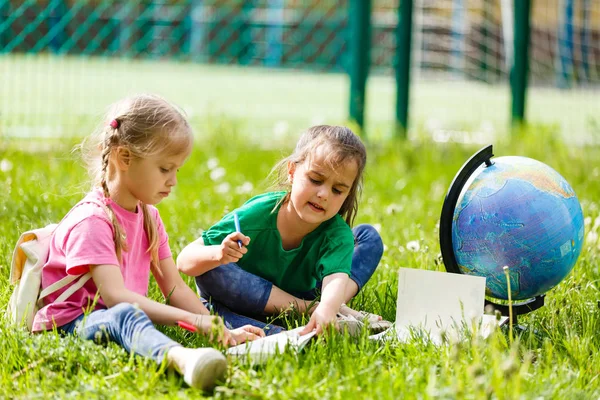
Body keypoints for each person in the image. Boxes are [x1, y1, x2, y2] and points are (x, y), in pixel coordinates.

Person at [32, 94, 264, 391]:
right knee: (126, 314)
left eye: (176, 170)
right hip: (70, 326)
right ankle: (182, 360)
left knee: (128, 316)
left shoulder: (149, 218)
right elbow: (116, 297)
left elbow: (175, 287)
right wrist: (191, 321)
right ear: (124, 157)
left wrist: (217, 328)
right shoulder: (93, 220)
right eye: (165, 169)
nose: (173, 181)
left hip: (116, 317)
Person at [177, 125, 390, 336]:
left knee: (367, 237)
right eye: (315, 180)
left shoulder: (337, 233)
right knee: (212, 269)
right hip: (242, 295)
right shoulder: (259, 214)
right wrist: (220, 254)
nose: (324, 194)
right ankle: (314, 312)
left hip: (303, 291)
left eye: (337, 190)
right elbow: (184, 260)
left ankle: (325, 313)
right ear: (292, 171)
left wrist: (327, 305)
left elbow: (335, 279)